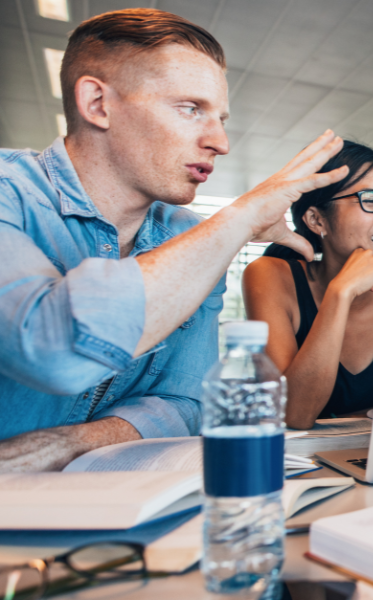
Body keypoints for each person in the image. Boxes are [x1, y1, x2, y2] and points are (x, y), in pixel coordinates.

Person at [0, 8, 349, 472]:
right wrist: (240, 218)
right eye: (190, 108)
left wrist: (72, 443)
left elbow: (187, 401)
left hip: (100, 508)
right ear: (98, 104)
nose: (220, 142)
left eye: (220, 117)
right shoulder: (10, 194)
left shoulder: (186, 235)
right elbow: (53, 349)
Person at [242, 142, 373, 429]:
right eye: (370, 200)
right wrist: (341, 293)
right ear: (316, 219)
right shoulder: (270, 276)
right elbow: (294, 414)